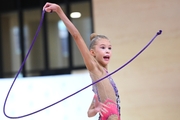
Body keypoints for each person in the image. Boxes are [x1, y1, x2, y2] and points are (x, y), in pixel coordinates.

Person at [43, 2, 120, 120]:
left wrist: (95, 109)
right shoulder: (95, 68)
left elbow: (89, 113)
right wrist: (59, 11)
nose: (107, 51)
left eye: (109, 48)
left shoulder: (104, 75)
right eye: (103, 48)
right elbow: (76, 35)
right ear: (92, 53)